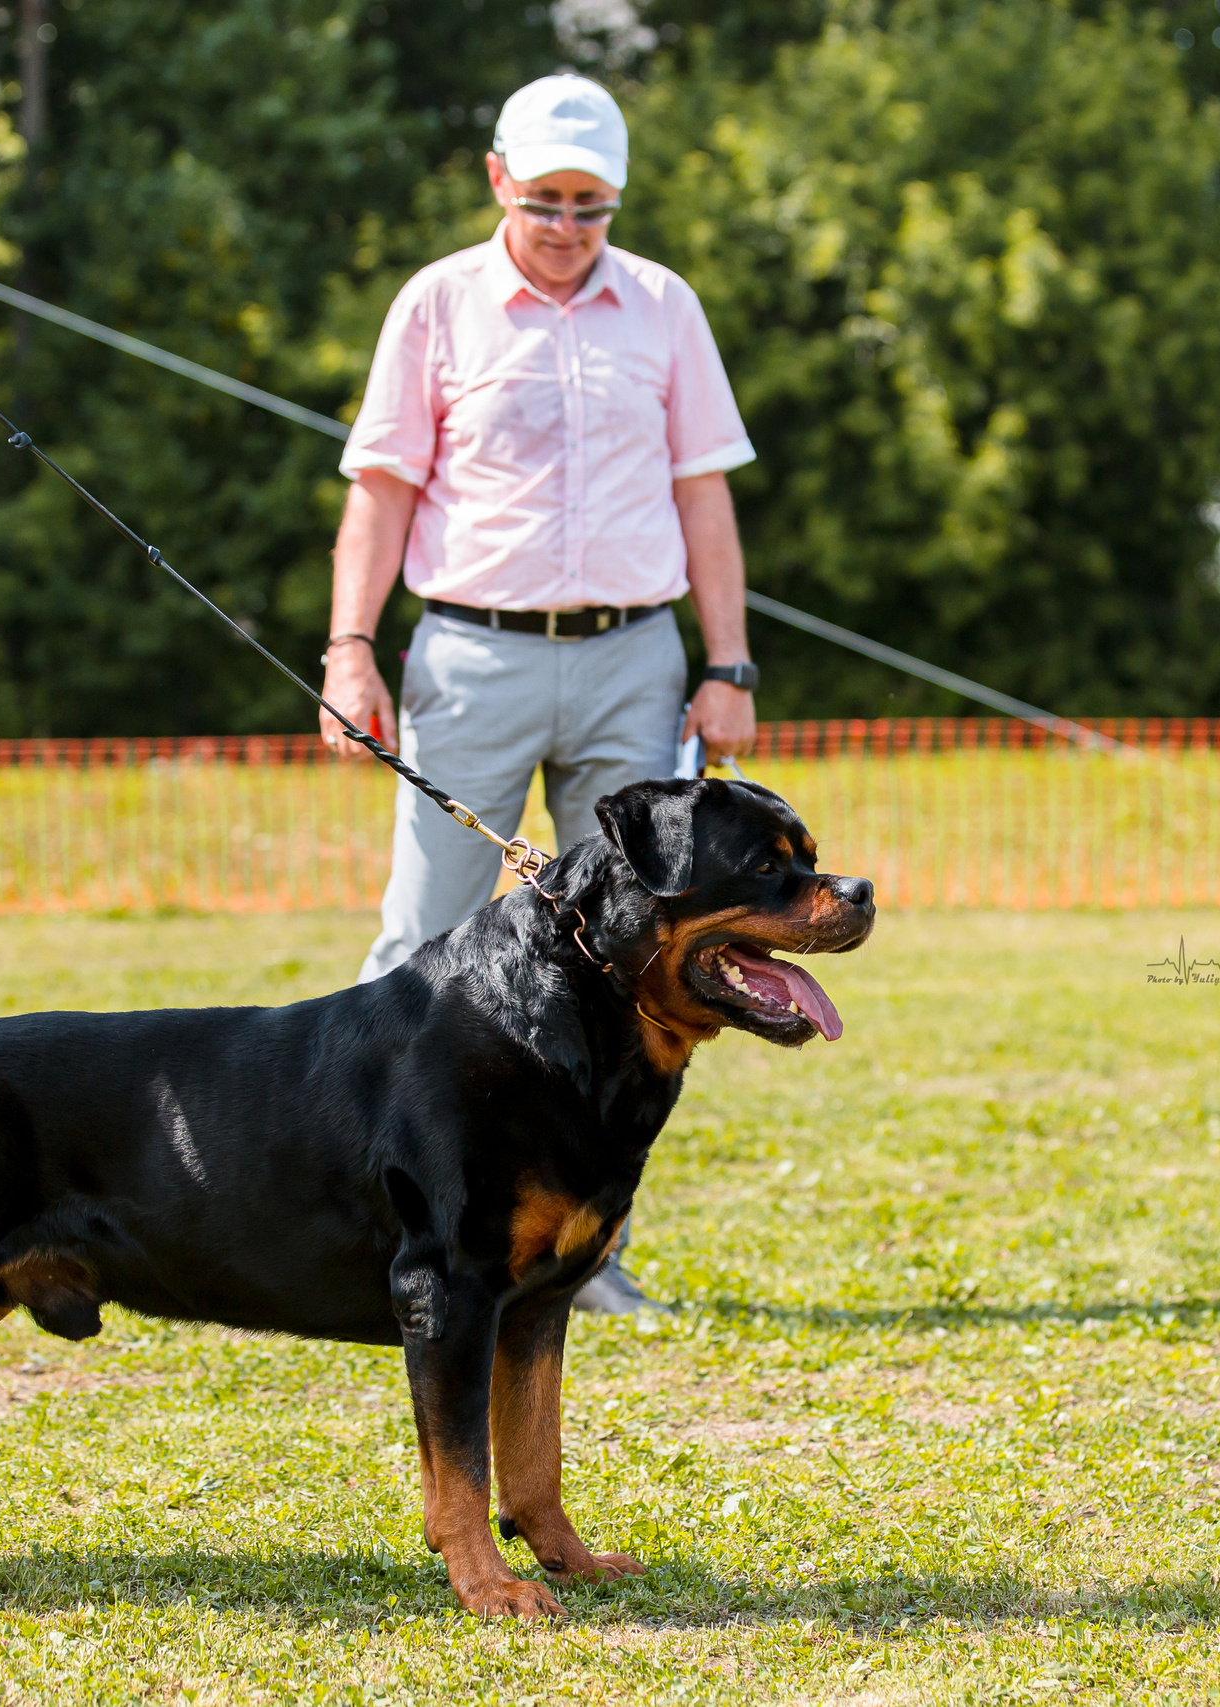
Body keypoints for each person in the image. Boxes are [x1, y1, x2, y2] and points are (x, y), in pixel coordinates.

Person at [321, 74, 759, 1314]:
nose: (569, 225)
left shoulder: (664, 307)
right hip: (471, 654)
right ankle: (384, 1235)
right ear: (498, 179)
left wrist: (726, 666)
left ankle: (585, 1255)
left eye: (593, 205)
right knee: (422, 944)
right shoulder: (437, 305)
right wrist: (350, 647)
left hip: (633, 657)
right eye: (549, 199)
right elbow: (383, 487)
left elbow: (704, 497)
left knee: (630, 958)